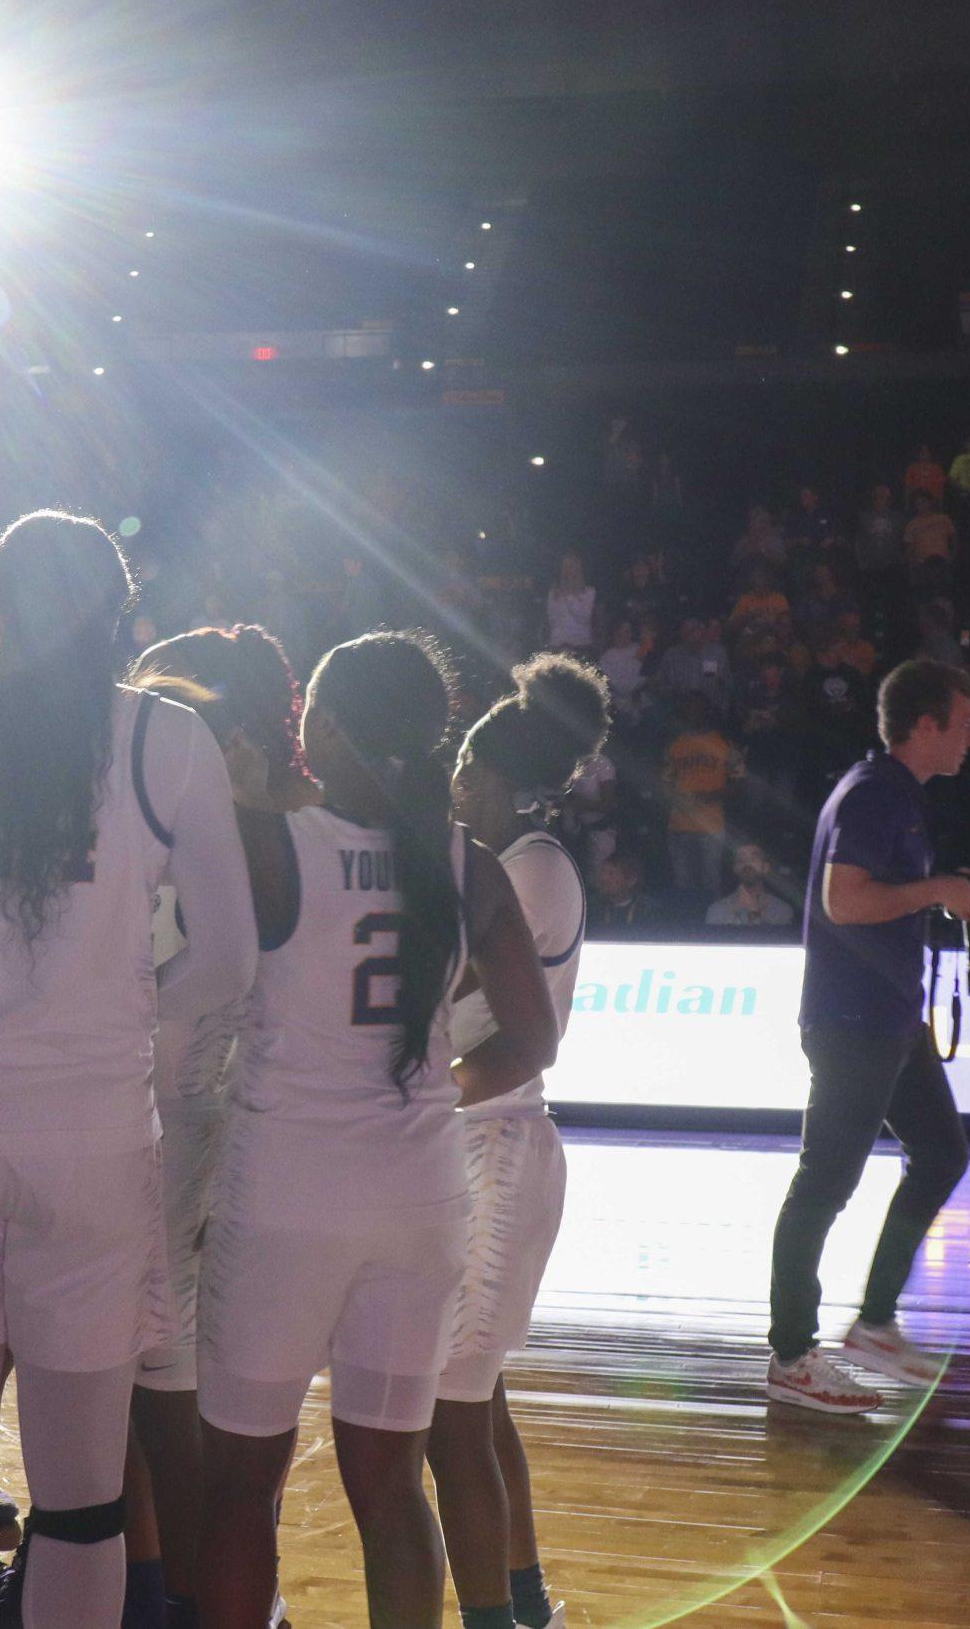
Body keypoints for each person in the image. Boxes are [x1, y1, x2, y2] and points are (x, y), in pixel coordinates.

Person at [0, 511, 255, 1629]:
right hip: (94, 1140)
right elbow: (228, 950)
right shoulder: (164, 738)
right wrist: (139, 1026)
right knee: (82, 1505)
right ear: (118, 616)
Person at [196, 632, 558, 1629]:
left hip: (287, 1193)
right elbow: (533, 1038)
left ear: (335, 725)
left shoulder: (269, 841)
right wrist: (432, 1084)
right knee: (392, 1489)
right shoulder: (464, 862)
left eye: (311, 708)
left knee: (238, 1485)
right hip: (419, 1195)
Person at [121, 624, 315, 1625]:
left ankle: (193, 1596)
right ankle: (170, 1589)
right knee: (178, 1397)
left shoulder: (220, 834)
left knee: (166, 1395)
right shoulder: (267, 830)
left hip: (180, 1132)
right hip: (215, 1134)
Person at [426, 655, 608, 1629]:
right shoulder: (513, 861)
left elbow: (506, 1042)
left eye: (465, 770)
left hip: (492, 1151)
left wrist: (414, 1092)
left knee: (449, 1420)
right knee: (476, 1408)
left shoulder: (528, 867)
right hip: (478, 1147)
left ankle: (497, 1618)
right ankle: (528, 1606)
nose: (455, 786)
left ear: (501, 781)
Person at [767, 660, 970, 1415]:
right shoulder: (875, 793)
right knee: (824, 1183)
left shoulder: (891, 792)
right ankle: (792, 1352)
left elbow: (873, 899)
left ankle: (872, 1324)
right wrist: (937, 891)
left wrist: (940, 893)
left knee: (941, 1154)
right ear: (925, 724)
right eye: (964, 721)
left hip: (889, 1019)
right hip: (854, 1020)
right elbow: (845, 900)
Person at [661, 696, 738, 905]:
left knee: (711, 882)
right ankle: (686, 924)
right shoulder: (675, 744)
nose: (693, 713)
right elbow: (665, 783)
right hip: (680, 824)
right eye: (689, 709)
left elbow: (738, 782)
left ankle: (711, 926)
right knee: (683, 882)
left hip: (711, 824)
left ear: (707, 711)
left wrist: (711, 796)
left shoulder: (723, 743)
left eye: (698, 708)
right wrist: (676, 799)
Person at [707, 843, 798, 929]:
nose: (747, 864)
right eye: (741, 860)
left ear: (765, 867)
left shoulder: (782, 910)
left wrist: (753, 912)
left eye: (753, 859)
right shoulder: (717, 910)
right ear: (735, 869)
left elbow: (773, 943)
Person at [543, 555, 595, 654]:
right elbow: (552, 619)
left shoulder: (589, 592)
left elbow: (584, 618)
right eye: (566, 567)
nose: (569, 570)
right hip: (558, 645)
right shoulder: (554, 592)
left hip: (580, 645)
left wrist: (570, 596)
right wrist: (558, 597)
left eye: (572, 566)